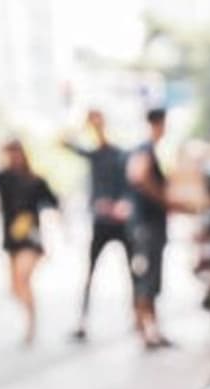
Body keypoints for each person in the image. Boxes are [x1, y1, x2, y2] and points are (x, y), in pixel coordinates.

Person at [0, 140, 60, 345]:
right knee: (14, 287)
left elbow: (54, 204)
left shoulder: (36, 180)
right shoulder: (3, 178)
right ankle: (30, 313)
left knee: (22, 277)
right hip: (11, 239)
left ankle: (31, 324)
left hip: (31, 238)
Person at [61, 109, 130, 341]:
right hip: (100, 222)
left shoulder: (119, 154)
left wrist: (121, 205)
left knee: (131, 273)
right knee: (90, 273)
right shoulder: (93, 155)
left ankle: (138, 318)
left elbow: (130, 188)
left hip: (120, 223)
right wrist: (82, 125)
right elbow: (63, 141)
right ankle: (82, 320)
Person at [125, 108, 175, 349]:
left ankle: (152, 328)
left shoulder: (150, 151)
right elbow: (138, 176)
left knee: (152, 278)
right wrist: (163, 199)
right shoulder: (144, 150)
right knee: (147, 278)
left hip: (151, 224)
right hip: (147, 225)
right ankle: (145, 329)